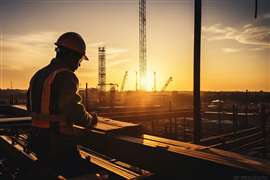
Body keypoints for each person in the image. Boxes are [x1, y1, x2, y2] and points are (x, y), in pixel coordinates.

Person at [26, 32, 98, 178]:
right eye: (79, 60)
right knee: (88, 174)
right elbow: (75, 111)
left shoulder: (39, 74)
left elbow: (30, 106)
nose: (79, 64)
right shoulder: (65, 75)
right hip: (58, 143)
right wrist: (91, 120)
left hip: (37, 139)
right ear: (72, 56)